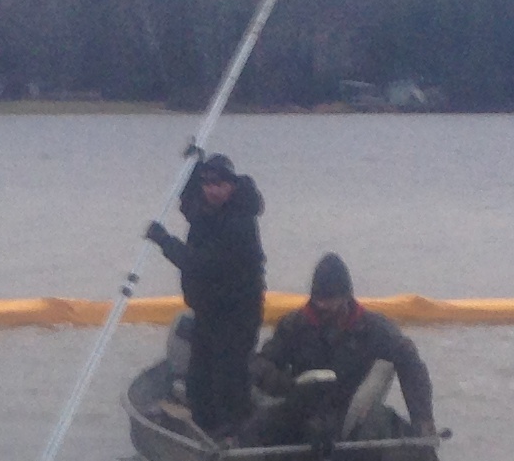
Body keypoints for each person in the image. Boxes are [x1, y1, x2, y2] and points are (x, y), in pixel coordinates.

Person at [241, 253, 436, 444]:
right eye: (319, 303)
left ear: (346, 298)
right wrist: (284, 385)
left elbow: (410, 362)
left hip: (352, 417)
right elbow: (261, 363)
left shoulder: (373, 328)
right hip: (302, 412)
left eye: (331, 302)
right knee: (260, 423)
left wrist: (423, 420)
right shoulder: (295, 325)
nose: (324, 310)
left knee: (382, 421)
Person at [146, 152, 264, 434]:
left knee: (228, 379)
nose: (211, 190)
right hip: (209, 310)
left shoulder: (239, 222)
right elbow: (189, 203)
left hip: (238, 314)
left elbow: (200, 264)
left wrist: (164, 240)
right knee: (199, 381)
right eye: (207, 184)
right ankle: (204, 430)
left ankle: (235, 434)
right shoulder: (206, 210)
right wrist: (192, 166)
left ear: (231, 186)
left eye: (218, 184)